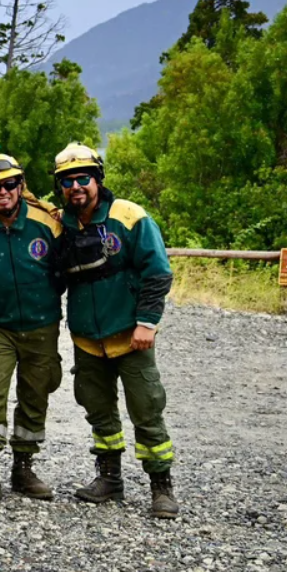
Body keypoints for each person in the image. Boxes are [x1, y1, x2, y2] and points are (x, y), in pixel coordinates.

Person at [53, 142, 178, 518]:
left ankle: (161, 486)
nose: (76, 186)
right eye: (67, 181)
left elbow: (158, 272)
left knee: (147, 409)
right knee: (98, 411)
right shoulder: (62, 225)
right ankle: (109, 478)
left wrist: (147, 323)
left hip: (130, 336)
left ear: (98, 178)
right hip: (88, 340)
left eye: (83, 178)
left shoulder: (128, 216)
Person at [0, 154, 64, 509]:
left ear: (20, 186)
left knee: (36, 397)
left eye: (8, 184)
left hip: (42, 325)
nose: (2, 192)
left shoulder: (47, 224)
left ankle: (24, 469)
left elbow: (61, 271)